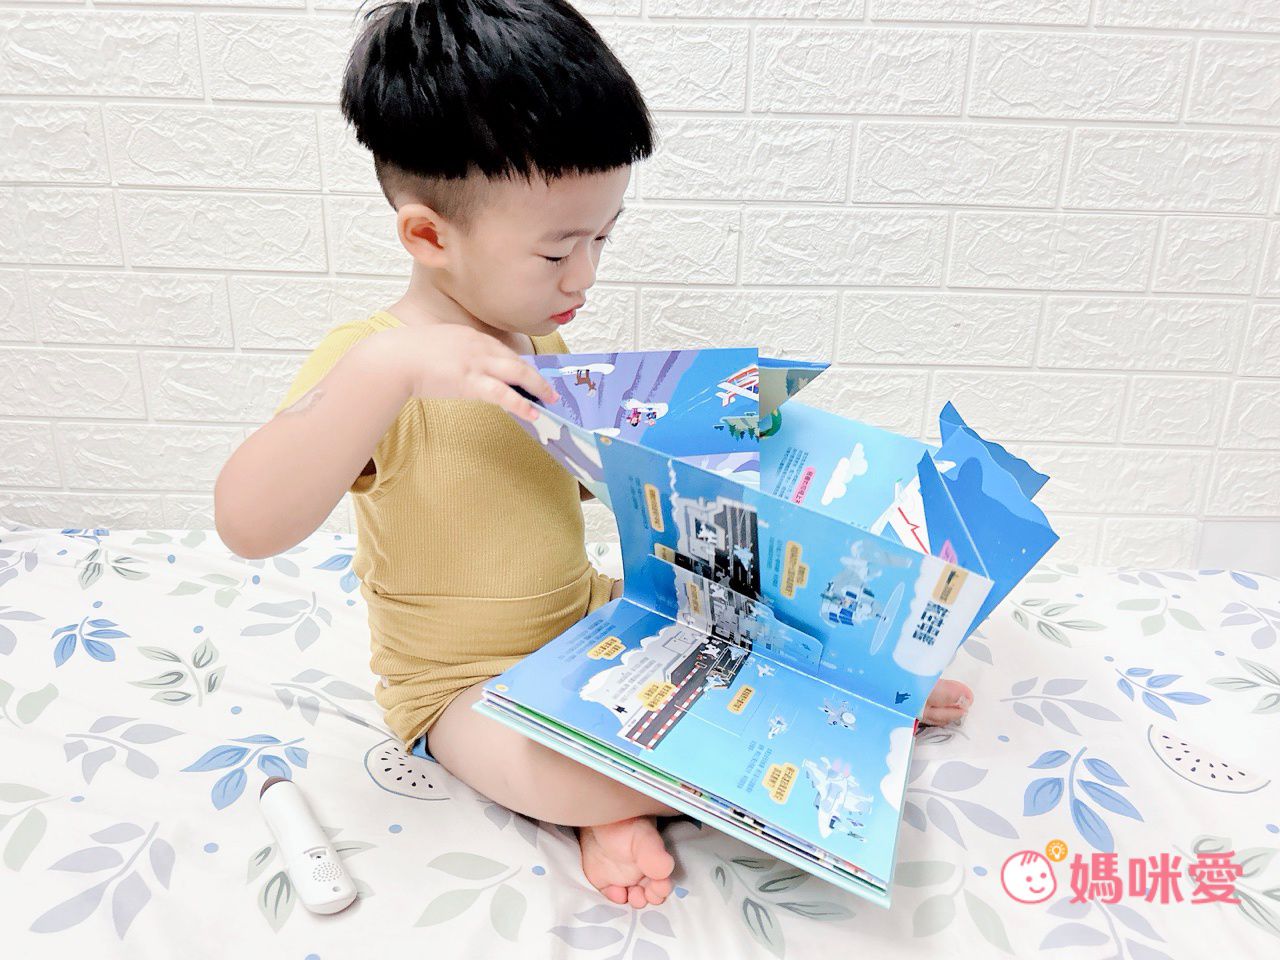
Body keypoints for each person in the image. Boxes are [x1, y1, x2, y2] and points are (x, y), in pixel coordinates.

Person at [213, 0, 973, 911]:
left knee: (760, 622)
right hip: (459, 688)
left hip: (591, 621)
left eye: (602, 237)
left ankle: (832, 696)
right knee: (569, 772)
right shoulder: (371, 366)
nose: (585, 275)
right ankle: (756, 749)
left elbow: (569, 484)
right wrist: (387, 372)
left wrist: (674, 457)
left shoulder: (537, 341)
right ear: (429, 235)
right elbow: (248, 522)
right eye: (556, 252)